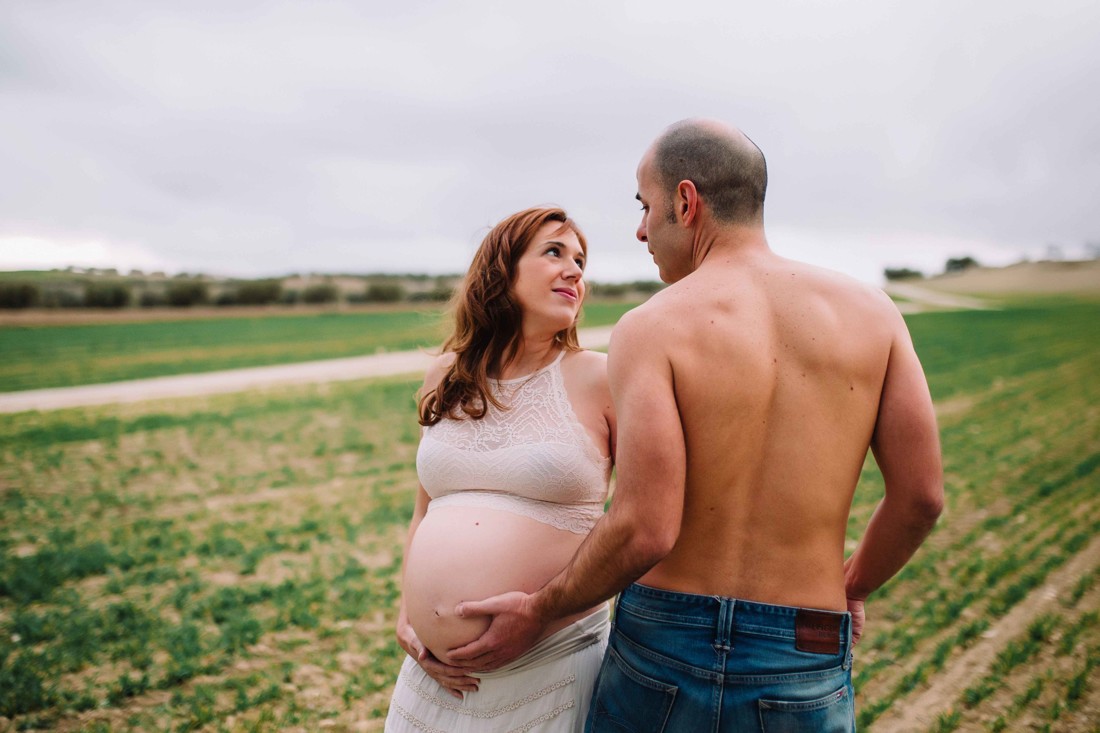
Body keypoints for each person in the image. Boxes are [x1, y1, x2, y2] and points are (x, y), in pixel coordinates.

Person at [447, 119, 945, 731]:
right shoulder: (874, 315)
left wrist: (539, 608)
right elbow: (921, 498)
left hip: (664, 640)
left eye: (645, 206)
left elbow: (643, 527)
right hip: (805, 640)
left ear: (686, 202)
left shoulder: (652, 327)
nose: (639, 229)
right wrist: (855, 586)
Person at [384, 206, 616, 732]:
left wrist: (543, 611)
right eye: (554, 252)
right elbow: (426, 510)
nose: (575, 270)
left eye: (580, 260)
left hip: (550, 660)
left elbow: (643, 515)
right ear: (500, 270)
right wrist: (410, 612)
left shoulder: (600, 377)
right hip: (433, 675)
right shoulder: (447, 375)